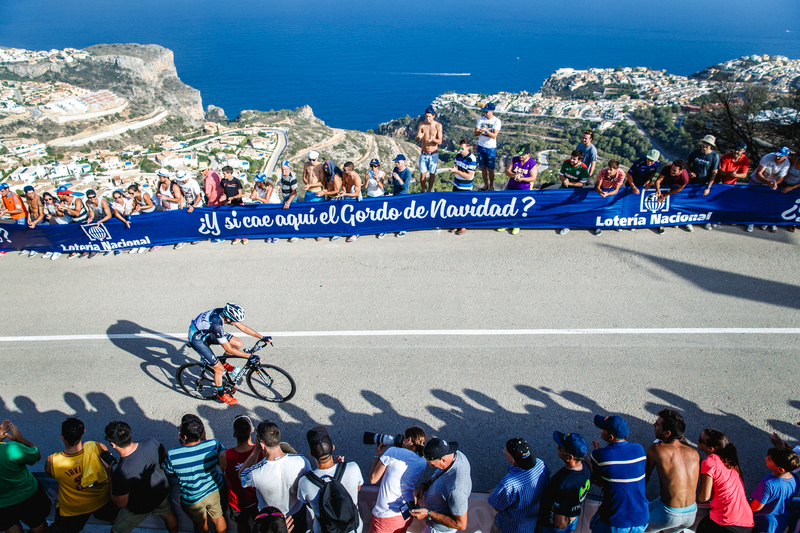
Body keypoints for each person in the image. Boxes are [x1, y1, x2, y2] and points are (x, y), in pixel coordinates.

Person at [188, 303, 272, 405]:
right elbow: (228, 348)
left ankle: (223, 362)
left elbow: (243, 327)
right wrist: (250, 356)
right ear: (228, 319)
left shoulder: (222, 313)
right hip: (198, 340)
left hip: (207, 332)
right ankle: (221, 394)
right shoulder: (216, 325)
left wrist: (261, 337)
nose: (237, 323)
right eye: (235, 321)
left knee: (238, 343)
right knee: (218, 368)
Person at [46, 417, 119, 533]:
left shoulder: (52, 461)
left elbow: (50, 474)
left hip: (73, 509)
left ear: (62, 438)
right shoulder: (97, 447)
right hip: (102, 500)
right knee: (116, 519)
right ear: (83, 433)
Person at [104, 420, 178, 533]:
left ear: (113, 445)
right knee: (168, 514)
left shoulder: (121, 472)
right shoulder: (151, 442)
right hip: (161, 493)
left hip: (139, 508)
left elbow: (120, 503)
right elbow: (164, 457)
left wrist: (110, 473)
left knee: (116, 531)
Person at [241, 421, 311, 533]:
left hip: (272, 519)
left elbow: (242, 475)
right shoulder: (302, 461)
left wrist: (256, 450)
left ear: (262, 444)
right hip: (297, 513)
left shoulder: (255, 473)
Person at [162, 415, 226, 533]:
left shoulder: (173, 454)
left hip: (192, 497)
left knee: (200, 524)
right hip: (214, 490)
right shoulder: (213, 445)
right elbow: (223, 457)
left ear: (184, 436)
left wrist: (182, 446)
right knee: (218, 518)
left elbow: (170, 472)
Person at [588, 414, 648, 533]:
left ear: (610, 436)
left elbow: (598, 482)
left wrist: (591, 457)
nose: (600, 430)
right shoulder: (639, 449)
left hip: (615, 521)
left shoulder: (599, 455)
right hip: (641, 518)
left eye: (602, 429)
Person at [297, 425, 364, 533]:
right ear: (332, 447)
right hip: (353, 529)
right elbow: (358, 488)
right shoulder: (353, 468)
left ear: (311, 454)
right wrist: (342, 467)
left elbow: (308, 503)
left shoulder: (305, 482)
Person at [643, 409, 699, 533]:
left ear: (667, 433)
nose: (654, 425)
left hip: (669, 513)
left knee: (638, 528)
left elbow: (644, 478)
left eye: (657, 424)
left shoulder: (656, 449)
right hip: (691, 513)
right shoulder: (693, 452)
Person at [368, 426, 427, 533]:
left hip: (385, 516)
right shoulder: (422, 461)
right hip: (405, 514)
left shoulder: (393, 452)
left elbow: (373, 479)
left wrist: (377, 456)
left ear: (409, 440)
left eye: (404, 438)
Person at [696, 429, 753, 533]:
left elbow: (704, 497)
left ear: (711, 448)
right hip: (745, 523)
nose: (697, 439)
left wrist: (685, 502)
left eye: (700, 440)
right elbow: (711, 469)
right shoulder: (728, 462)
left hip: (725, 521)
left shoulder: (710, 462)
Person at [488, 437, 550, 533]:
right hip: (531, 525)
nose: (504, 450)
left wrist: (494, 493)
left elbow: (497, 506)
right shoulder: (541, 465)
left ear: (512, 460)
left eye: (505, 452)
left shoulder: (509, 483)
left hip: (509, 528)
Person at [410, 438, 471, 533]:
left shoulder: (457, 490)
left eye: (432, 465)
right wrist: (424, 486)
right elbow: (440, 474)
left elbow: (461, 525)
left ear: (442, 459)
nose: (431, 467)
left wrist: (428, 513)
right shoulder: (455, 455)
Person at [0, 419, 51, 533]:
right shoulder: (11, 449)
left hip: (2, 504)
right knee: (38, 524)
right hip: (28, 495)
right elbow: (36, 454)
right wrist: (20, 439)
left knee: (10, 526)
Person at [540, 431, 591, 533]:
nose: (557, 447)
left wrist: (569, 519)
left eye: (560, 447)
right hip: (572, 519)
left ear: (570, 458)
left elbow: (560, 524)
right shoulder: (586, 467)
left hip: (553, 528)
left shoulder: (562, 484)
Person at [220, 416, 262, 533]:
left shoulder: (225, 456)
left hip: (237, 501)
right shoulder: (261, 452)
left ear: (234, 434)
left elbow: (224, 473)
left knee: (242, 525)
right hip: (257, 499)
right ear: (252, 430)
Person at [750, 447, 800, 533]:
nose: (765, 458)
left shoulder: (767, 483)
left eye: (769, 459)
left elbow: (756, 507)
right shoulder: (795, 479)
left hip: (762, 523)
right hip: (781, 522)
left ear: (780, 469)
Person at [748, 147, 791, 233]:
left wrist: (775, 183)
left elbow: (780, 178)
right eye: (776, 155)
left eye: (780, 156)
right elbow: (758, 173)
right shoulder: (768, 157)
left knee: (767, 201)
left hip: (771, 182)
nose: (777, 157)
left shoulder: (786, 164)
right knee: (752, 199)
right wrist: (767, 182)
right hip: (757, 180)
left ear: (786, 156)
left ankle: (766, 221)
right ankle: (750, 221)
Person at [443, 139, 478, 236]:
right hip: (456, 184)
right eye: (459, 148)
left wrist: (457, 172)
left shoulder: (472, 159)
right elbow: (456, 168)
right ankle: (456, 223)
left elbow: (469, 176)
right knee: (456, 204)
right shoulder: (458, 156)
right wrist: (454, 170)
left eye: (462, 148)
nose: (460, 150)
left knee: (464, 206)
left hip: (465, 186)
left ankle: (464, 225)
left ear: (468, 148)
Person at [646, 159, 689, 234]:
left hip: (673, 189)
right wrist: (657, 189)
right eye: (672, 168)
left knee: (668, 206)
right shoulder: (667, 168)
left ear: (680, 171)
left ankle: (666, 222)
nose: (671, 171)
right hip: (663, 184)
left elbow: (679, 188)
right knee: (657, 203)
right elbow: (658, 180)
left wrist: (666, 194)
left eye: (674, 170)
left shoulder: (684, 177)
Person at [556, 151, 590, 236]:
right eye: (571, 157)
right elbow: (561, 175)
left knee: (570, 209)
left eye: (574, 159)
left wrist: (569, 183)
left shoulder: (583, 168)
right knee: (560, 206)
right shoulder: (566, 162)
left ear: (580, 160)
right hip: (563, 189)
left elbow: (581, 183)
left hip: (575, 191)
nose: (571, 160)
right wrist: (564, 180)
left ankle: (567, 226)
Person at [474, 102, 502, 191]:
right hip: (481, 146)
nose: (485, 113)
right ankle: (485, 185)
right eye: (484, 112)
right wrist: (480, 131)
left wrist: (486, 131)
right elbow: (475, 133)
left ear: (492, 111)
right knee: (483, 167)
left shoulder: (497, 121)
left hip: (490, 148)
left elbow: (494, 135)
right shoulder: (481, 119)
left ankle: (491, 186)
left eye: (487, 112)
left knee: (490, 169)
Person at [417, 107, 443, 192]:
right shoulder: (421, 124)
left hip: (433, 153)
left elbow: (439, 141)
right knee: (422, 175)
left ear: (433, 116)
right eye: (426, 116)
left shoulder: (438, 125)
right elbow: (416, 139)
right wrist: (419, 137)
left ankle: (429, 190)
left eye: (429, 116)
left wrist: (433, 139)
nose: (427, 118)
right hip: (424, 152)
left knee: (432, 174)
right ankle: (423, 190)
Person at [687, 135, 720, 202]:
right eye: (704, 142)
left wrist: (708, 187)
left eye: (707, 143)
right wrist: (690, 172)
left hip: (703, 184)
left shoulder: (714, 156)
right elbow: (687, 163)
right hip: (691, 182)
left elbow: (714, 173)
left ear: (711, 145)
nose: (705, 145)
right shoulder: (695, 152)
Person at [779, 155, 800, 232]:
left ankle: (792, 223)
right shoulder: (793, 160)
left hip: (795, 186)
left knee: (792, 203)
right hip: (783, 182)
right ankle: (772, 221)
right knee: (779, 200)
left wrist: (792, 188)